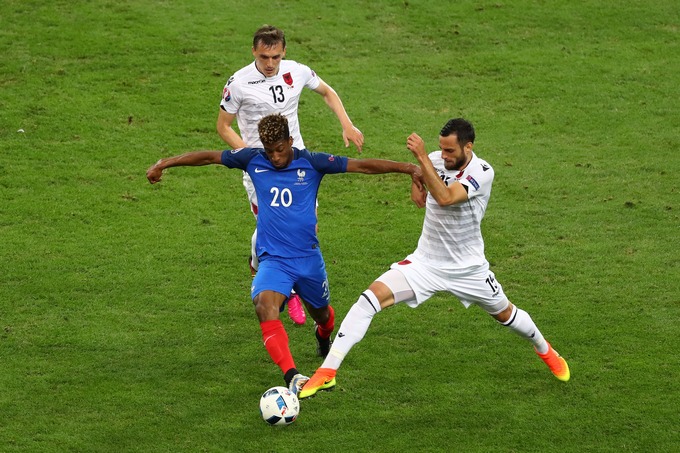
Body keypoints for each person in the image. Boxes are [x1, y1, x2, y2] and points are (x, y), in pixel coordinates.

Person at [146, 113, 421, 394]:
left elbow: (362, 166)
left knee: (323, 316)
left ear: (290, 141)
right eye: (269, 151)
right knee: (264, 306)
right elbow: (208, 157)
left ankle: (322, 334)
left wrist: (409, 168)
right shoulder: (252, 159)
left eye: (279, 149)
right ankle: (293, 376)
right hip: (274, 260)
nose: (275, 157)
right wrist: (164, 163)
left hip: (307, 260)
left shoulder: (312, 162)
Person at [300, 118, 570, 399]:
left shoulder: (482, 172)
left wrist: (421, 159)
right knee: (368, 300)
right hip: (425, 264)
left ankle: (545, 350)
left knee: (506, 314)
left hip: (468, 269)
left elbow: (446, 197)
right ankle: (327, 372)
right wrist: (415, 180)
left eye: (450, 151)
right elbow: (423, 174)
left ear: (468, 147)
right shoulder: (435, 160)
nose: (444, 155)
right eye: (441, 149)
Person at [216, 24, 364, 326]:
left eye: (276, 57)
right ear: (253, 52)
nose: (270, 63)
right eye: (264, 57)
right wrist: (252, 159)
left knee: (307, 227)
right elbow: (223, 126)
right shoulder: (239, 83)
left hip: (299, 168)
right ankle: (289, 290)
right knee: (274, 227)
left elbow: (327, 92)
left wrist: (347, 124)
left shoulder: (297, 71)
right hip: (262, 172)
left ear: (284, 52)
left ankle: (268, 269)